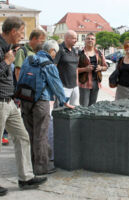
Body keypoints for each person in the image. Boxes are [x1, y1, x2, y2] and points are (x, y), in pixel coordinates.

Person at [0, 16, 47, 196]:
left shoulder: (8, 47)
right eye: (21, 32)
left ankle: (26, 177)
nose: (22, 36)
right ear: (13, 31)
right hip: (0, 102)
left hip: (8, 102)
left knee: (23, 137)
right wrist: (7, 62)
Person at [19, 40, 75, 175]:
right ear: (52, 51)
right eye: (56, 52)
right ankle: (41, 168)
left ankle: (30, 164)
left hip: (25, 100)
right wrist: (64, 101)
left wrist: (19, 98)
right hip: (40, 101)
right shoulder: (49, 64)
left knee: (30, 134)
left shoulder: (29, 59)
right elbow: (56, 85)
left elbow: (20, 78)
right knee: (41, 135)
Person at [78, 32, 107, 106]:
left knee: (92, 107)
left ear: (95, 41)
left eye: (92, 39)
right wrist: (85, 69)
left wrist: (100, 68)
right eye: (88, 39)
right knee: (84, 107)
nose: (90, 40)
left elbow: (106, 67)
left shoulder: (99, 53)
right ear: (85, 40)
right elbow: (74, 70)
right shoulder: (80, 53)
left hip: (96, 83)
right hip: (84, 83)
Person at [54, 30, 79, 106]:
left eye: (76, 38)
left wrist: (77, 81)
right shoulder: (59, 49)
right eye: (74, 38)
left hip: (74, 86)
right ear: (67, 38)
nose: (76, 40)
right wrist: (57, 84)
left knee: (75, 107)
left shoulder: (74, 50)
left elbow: (76, 67)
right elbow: (53, 67)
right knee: (61, 109)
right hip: (63, 86)